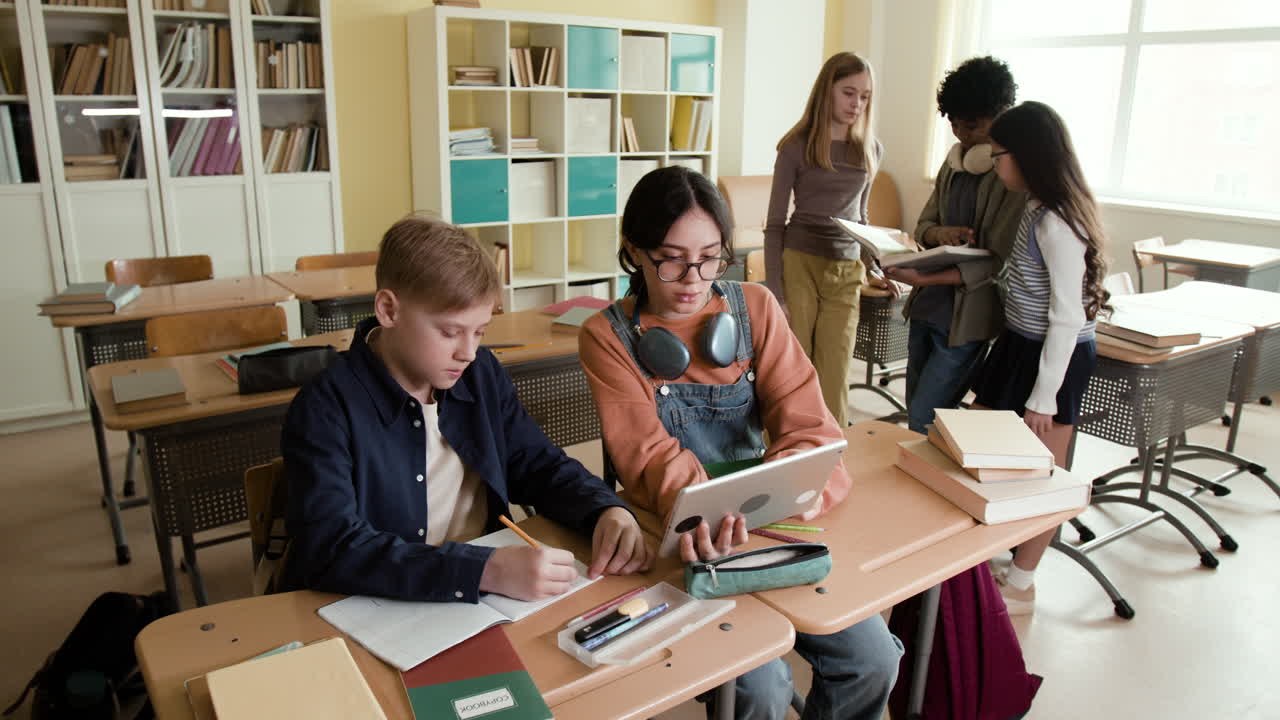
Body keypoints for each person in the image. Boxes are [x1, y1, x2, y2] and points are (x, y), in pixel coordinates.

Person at [580, 166, 903, 720]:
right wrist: (719, 518)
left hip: (767, 522)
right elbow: (653, 461)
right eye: (671, 257)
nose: (692, 277)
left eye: (710, 256)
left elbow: (813, 430)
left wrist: (787, 493)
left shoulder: (754, 306)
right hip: (680, 534)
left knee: (874, 661)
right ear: (633, 251)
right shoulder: (605, 337)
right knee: (763, 687)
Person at [280, 214, 651, 603]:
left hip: (481, 596)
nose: (468, 352)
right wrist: (483, 569)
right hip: (379, 602)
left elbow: (536, 464)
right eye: (450, 332)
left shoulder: (479, 373)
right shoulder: (324, 407)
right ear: (389, 310)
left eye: (480, 332)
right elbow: (331, 547)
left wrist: (605, 509)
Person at [971, 101, 1109, 614]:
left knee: (1046, 474)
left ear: (1026, 156)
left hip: (1054, 355)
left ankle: (1022, 582)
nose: (995, 165)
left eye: (998, 156)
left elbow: (1068, 318)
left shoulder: (1057, 222)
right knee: (986, 450)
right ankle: (1001, 555)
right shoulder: (1036, 208)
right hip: (1020, 342)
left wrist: (1044, 395)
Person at [885, 56, 1026, 434]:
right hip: (928, 308)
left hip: (968, 316)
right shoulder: (954, 164)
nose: (962, 134)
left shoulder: (1011, 179)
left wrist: (924, 278)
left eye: (973, 125)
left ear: (1001, 116)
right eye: (954, 124)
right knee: (917, 407)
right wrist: (940, 235)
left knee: (925, 416)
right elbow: (925, 225)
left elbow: (997, 261)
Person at [763, 51, 893, 427]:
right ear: (827, 92)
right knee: (794, 369)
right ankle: (786, 450)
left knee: (835, 374)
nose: (857, 104)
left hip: (847, 270)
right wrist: (777, 292)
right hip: (799, 263)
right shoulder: (795, 146)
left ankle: (834, 457)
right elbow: (775, 224)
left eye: (865, 96)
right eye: (848, 93)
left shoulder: (871, 149)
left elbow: (862, 219)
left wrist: (876, 268)